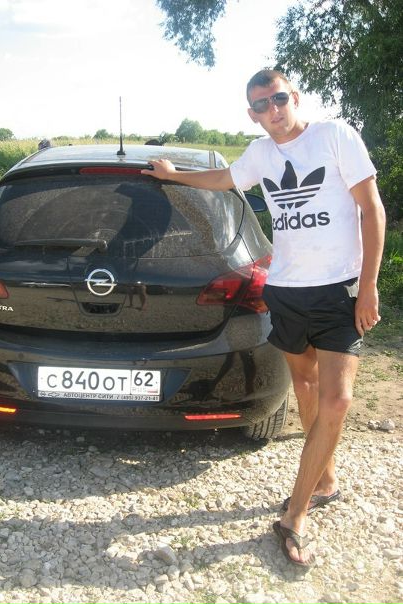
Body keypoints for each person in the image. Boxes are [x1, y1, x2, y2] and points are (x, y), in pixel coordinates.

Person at [141, 69, 386, 567]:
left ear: (294, 97)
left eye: (277, 99)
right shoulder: (260, 153)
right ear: (251, 114)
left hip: (339, 290)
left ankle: (295, 515)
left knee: (338, 399)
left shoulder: (335, 136)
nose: (272, 110)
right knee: (306, 386)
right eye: (260, 105)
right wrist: (172, 175)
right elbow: (223, 179)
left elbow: (372, 210)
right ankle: (326, 479)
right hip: (286, 290)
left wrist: (368, 287)